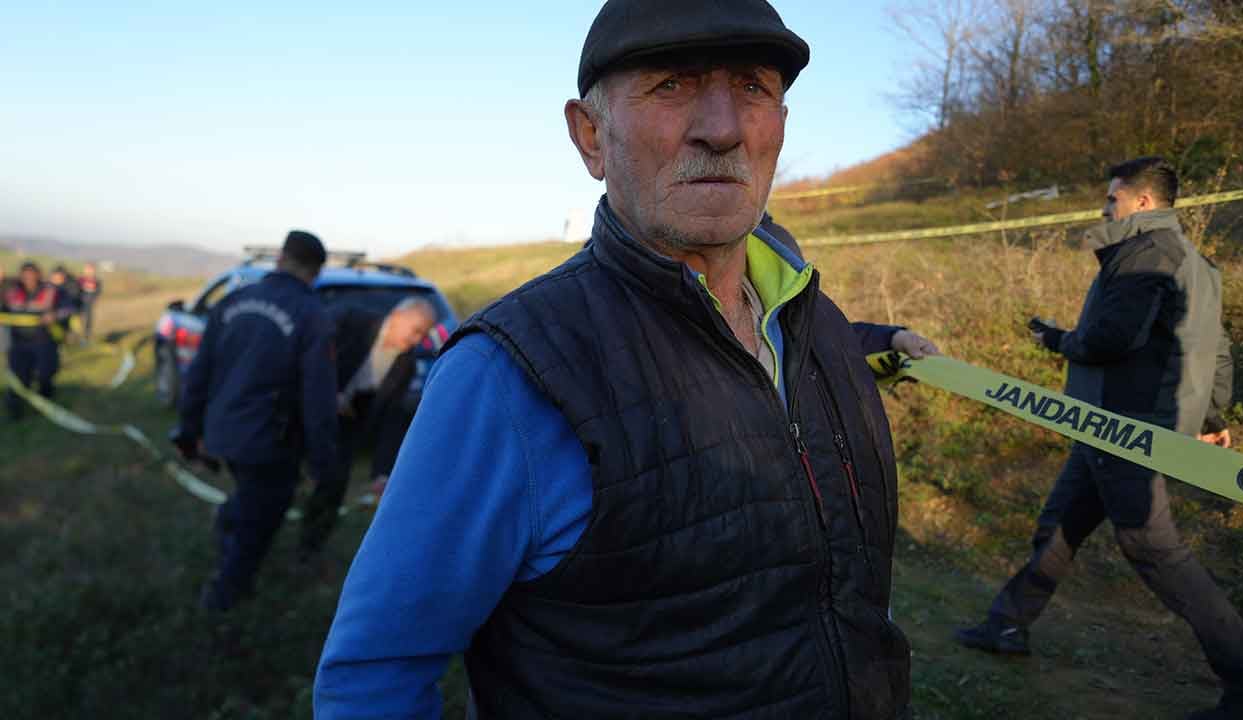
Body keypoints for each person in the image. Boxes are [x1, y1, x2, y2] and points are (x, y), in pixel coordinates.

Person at [316, 2, 935, 718]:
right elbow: (374, 678)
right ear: (591, 137)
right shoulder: (508, 378)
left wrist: (882, 343)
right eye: (672, 84)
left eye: (753, 88)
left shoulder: (816, 325)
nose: (723, 127)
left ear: (781, 127)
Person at [954, 157, 1243, 720]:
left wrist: (1056, 340)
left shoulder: (1144, 254)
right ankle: (1007, 623)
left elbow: (1109, 339)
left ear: (1143, 203)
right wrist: (1211, 417)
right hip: (1112, 426)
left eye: (1112, 201)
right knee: (1061, 523)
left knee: (1152, 547)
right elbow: (1216, 348)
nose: (1104, 209)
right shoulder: (1197, 263)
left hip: (1125, 428)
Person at [173, 230, 339, 611]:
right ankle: (223, 600)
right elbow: (319, 400)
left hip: (223, 432)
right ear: (316, 272)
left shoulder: (232, 302)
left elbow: (198, 375)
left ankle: (230, 520)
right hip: (269, 443)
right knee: (261, 521)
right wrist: (323, 463)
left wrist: (188, 431)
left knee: (251, 500)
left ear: (281, 258)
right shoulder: (312, 316)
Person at [298, 297, 444, 559]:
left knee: (334, 484)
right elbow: (306, 357)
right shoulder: (349, 320)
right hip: (306, 409)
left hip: (348, 422)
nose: (417, 340)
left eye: (423, 334)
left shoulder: (406, 363)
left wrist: (381, 472)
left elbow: (392, 419)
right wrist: (326, 395)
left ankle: (309, 548)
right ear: (399, 317)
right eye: (416, 330)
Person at [2, 262, 66, 420]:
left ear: (38, 275)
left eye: (32, 274)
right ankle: (14, 412)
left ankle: (45, 405)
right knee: (18, 379)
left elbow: (70, 308)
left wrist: (55, 315)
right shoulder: (10, 292)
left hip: (44, 342)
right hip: (18, 344)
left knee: (45, 374)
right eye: (25, 275)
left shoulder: (52, 291)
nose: (28, 278)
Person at [48, 265, 82, 341]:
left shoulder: (70, 287)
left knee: (75, 319)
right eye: (54, 277)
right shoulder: (47, 287)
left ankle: (75, 338)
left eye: (58, 277)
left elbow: (72, 305)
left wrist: (58, 314)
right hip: (52, 316)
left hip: (66, 314)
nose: (56, 279)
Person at [76, 263, 103, 341]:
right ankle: (77, 335)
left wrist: (95, 299)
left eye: (91, 270)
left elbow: (98, 291)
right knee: (78, 320)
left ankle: (86, 336)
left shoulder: (97, 281)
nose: (89, 271)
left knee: (88, 320)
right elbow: (76, 290)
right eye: (87, 269)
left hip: (90, 303)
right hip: (80, 302)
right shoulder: (80, 280)